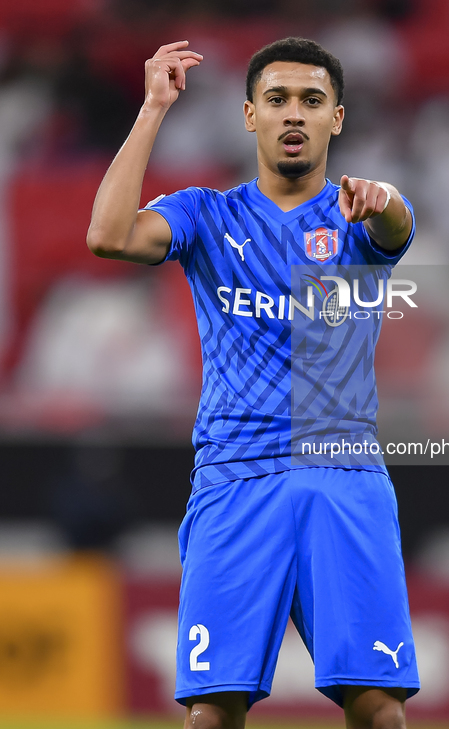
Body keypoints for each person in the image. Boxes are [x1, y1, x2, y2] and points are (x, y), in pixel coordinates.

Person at [87, 36, 420, 729]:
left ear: (337, 118)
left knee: (380, 712)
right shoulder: (206, 214)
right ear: (248, 115)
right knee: (210, 713)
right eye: (276, 100)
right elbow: (108, 234)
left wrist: (383, 197)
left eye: (310, 100)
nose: (292, 114)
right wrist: (153, 108)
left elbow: (398, 225)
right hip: (236, 477)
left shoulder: (358, 217)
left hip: (342, 474)